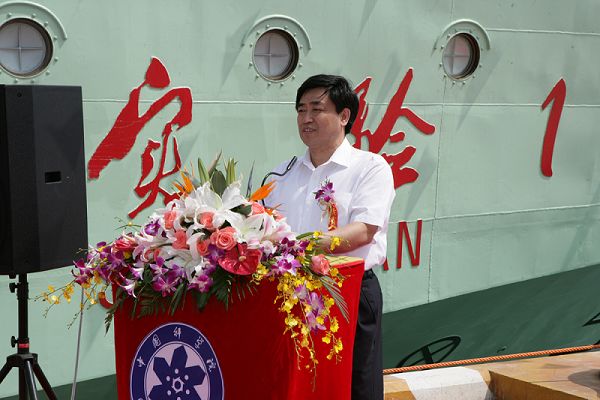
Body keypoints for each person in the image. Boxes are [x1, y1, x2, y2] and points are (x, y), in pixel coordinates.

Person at [265, 74, 395, 400]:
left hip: (347, 291)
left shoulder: (370, 167)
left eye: (316, 109)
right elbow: (263, 228)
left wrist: (302, 247)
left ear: (344, 116)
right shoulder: (282, 174)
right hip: (288, 291)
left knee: (355, 386)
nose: (306, 118)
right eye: (301, 110)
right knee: (296, 385)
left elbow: (364, 229)